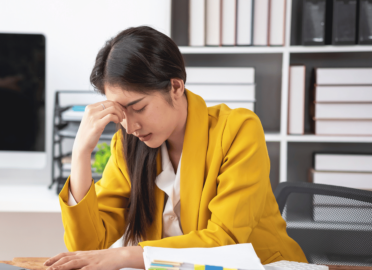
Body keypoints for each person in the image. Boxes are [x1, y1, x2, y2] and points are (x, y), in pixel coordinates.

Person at [44, 26, 307, 270]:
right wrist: (80, 153)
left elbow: (226, 242)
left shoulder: (238, 130)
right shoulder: (127, 145)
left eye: (139, 108)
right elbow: (88, 248)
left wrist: (126, 254)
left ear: (175, 86)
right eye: (120, 113)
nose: (130, 126)